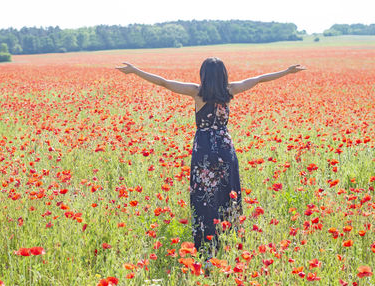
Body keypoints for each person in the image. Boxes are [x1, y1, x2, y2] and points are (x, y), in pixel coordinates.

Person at [116, 57, 305, 257]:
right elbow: (259, 79)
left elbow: (163, 82)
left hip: (204, 148)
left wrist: (135, 70)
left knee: (204, 195)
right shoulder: (230, 91)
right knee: (228, 191)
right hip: (225, 148)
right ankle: (229, 238)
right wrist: (286, 71)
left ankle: (206, 242)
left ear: (203, 74)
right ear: (223, 73)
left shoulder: (197, 92)